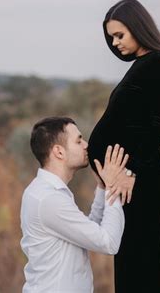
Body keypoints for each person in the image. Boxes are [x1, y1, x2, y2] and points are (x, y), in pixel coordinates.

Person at [87, 0, 160, 293]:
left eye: (120, 35)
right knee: (130, 265)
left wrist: (130, 171)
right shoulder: (144, 64)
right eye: (111, 37)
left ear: (138, 27)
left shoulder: (158, 63)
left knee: (141, 267)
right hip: (131, 182)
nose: (115, 43)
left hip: (142, 181)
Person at [20, 116, 130, 293]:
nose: (86, 145)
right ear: (59, 152)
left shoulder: (45, 192)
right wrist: (113, 185)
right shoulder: (49, 200)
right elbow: (109, 242)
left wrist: (102, 188)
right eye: (79, 140)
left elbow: (87, 234)